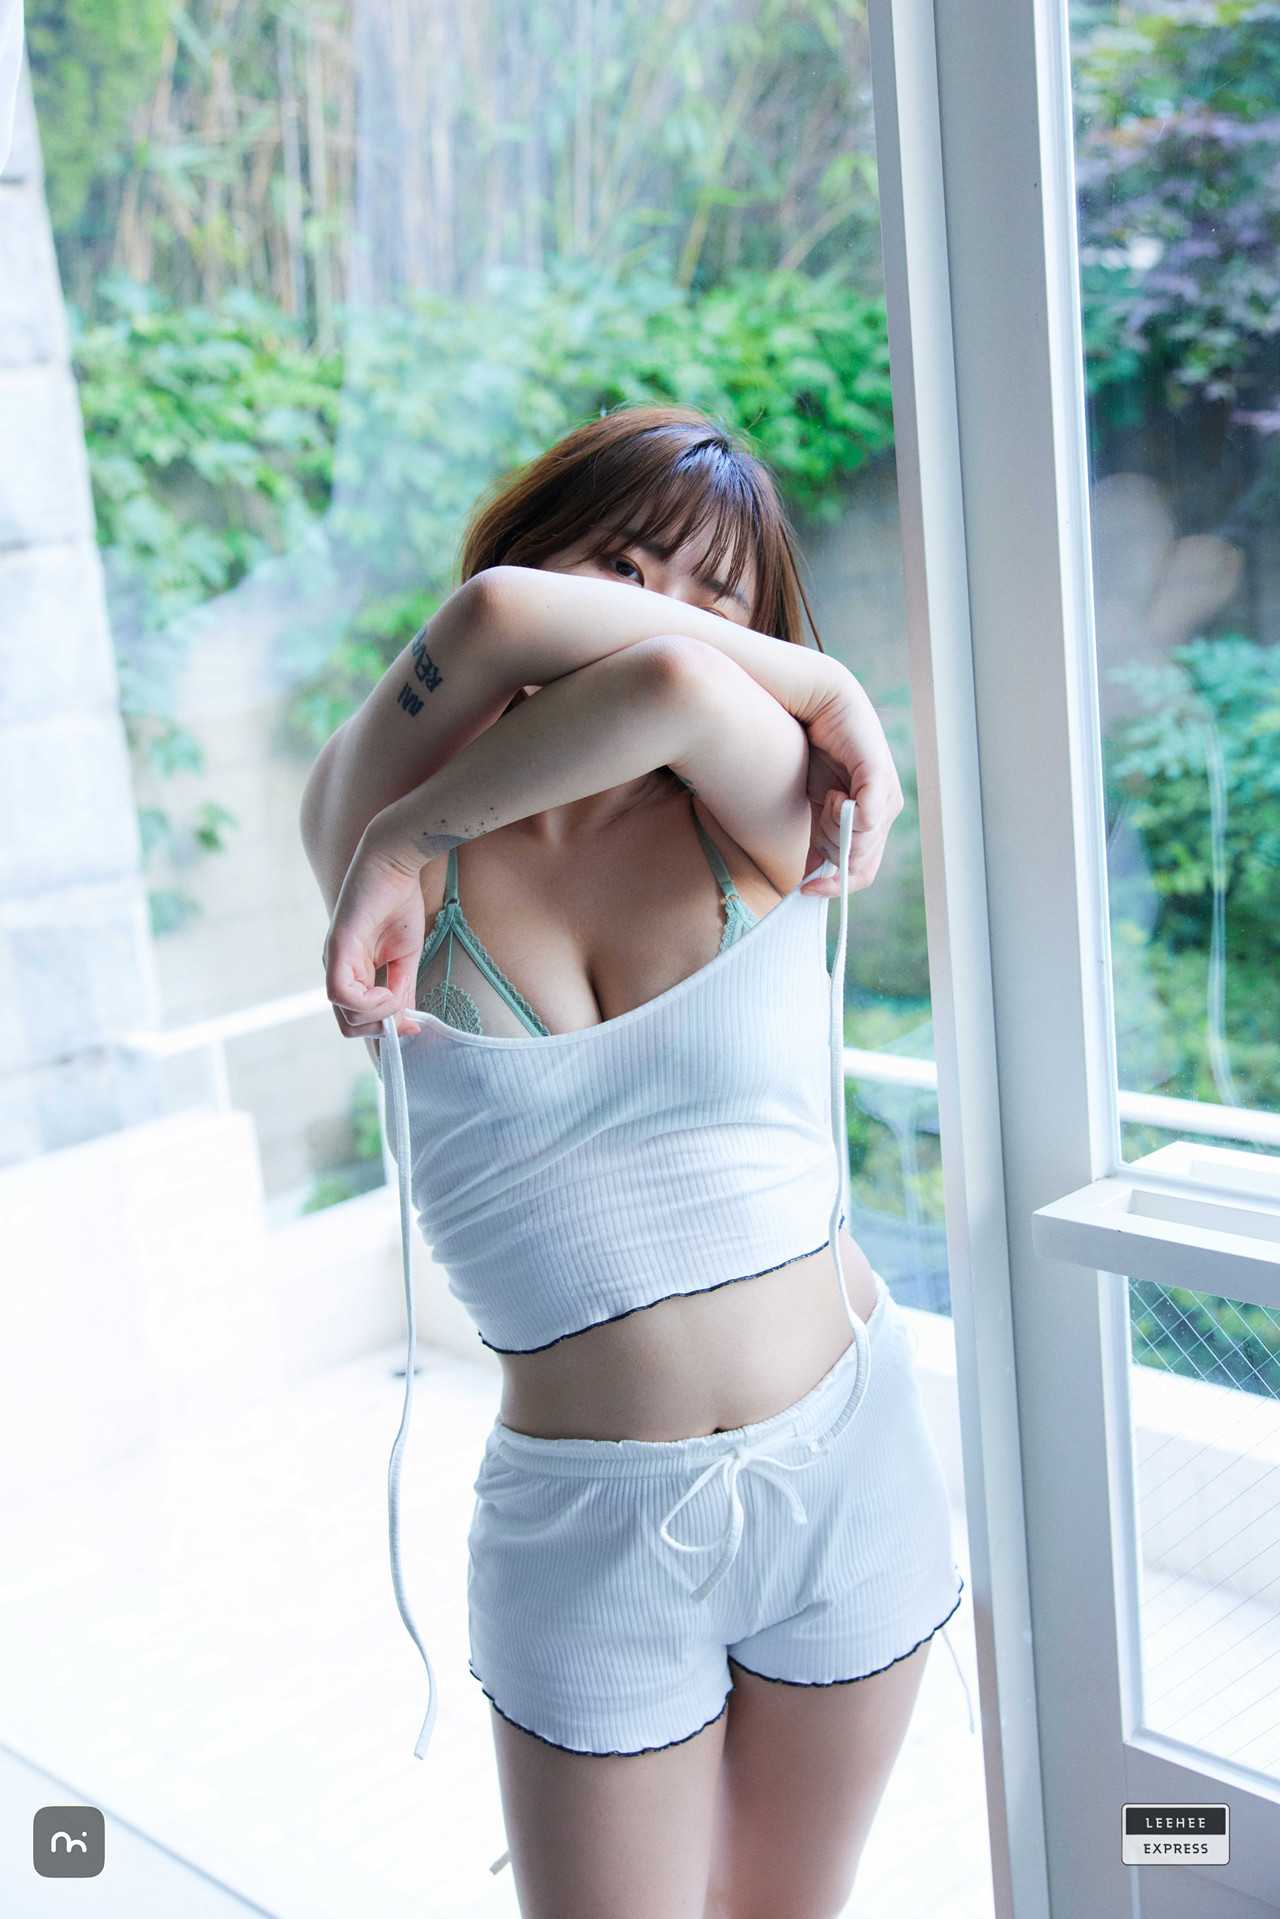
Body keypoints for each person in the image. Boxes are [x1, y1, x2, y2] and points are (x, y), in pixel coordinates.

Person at [300, 403, 965, 1918]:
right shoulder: (363, 827)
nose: (666, 617)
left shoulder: (753, 807)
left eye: (719, 596)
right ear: (546, 553)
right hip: (591, 1531)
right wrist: (404, 842)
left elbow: (671, 686)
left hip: (848, 1460)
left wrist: (801, 686)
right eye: (623, 565)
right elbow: (492, 621)